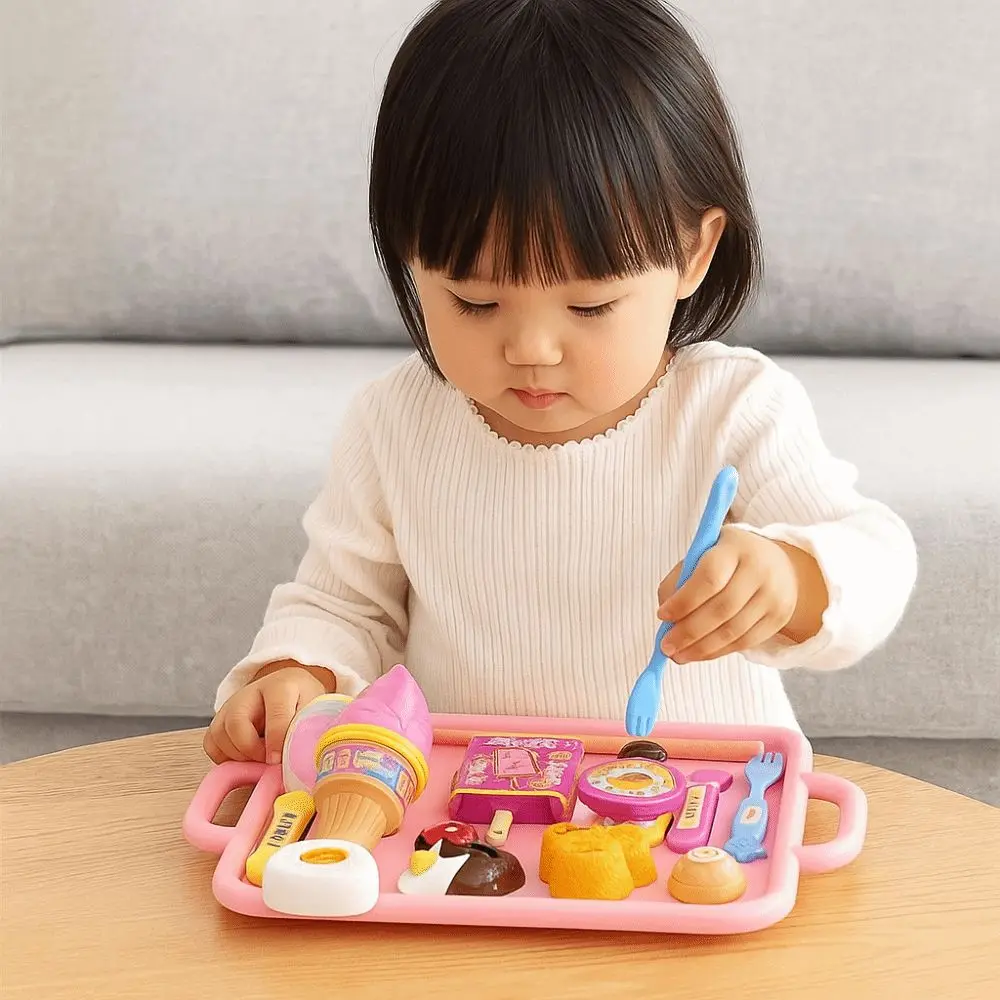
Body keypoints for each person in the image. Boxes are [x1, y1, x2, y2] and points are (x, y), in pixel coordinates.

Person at [204, 0, 917, 766]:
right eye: (475, 302)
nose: (532, 349)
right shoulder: (395, 423)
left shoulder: (734, 412)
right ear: (412, 258)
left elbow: (872, 558)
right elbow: (345, 605)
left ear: (691, 253)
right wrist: (298, 671)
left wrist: (792, 577)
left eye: (590, 304)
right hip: (463, 822)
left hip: (699, 820)